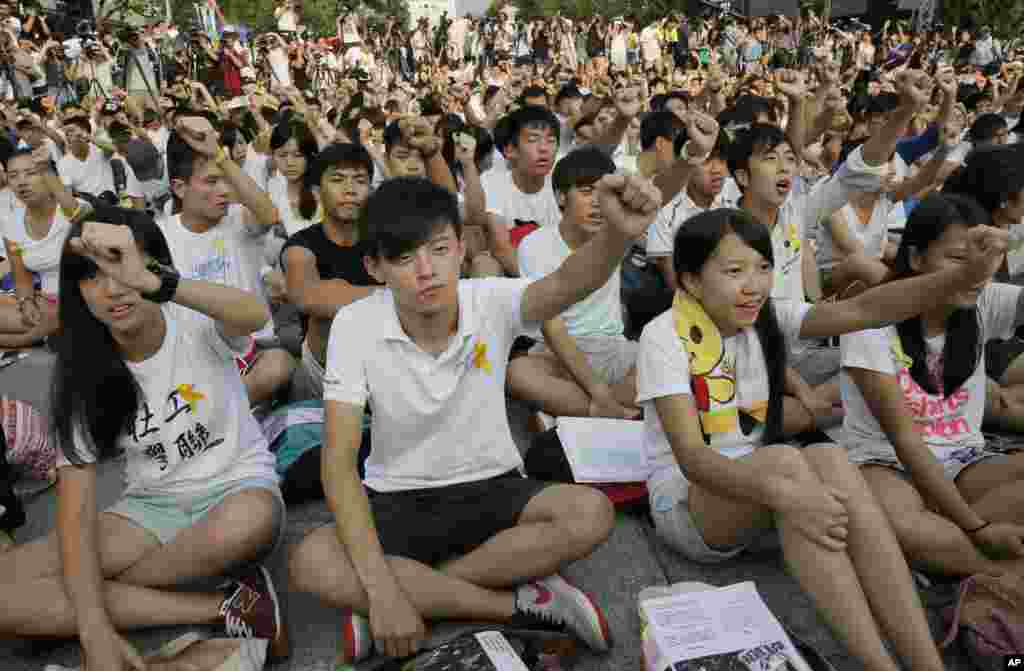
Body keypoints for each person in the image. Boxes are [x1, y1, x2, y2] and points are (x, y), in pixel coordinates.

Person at [289, 173, 663, 663]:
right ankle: (518, 606)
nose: (427, 270)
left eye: (439, 249)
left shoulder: (490, 299)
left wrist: (618, 234)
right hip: (397, 496)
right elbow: (337, 464)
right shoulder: (356, 326)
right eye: (404, 258)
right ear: (374, 267)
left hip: (494, 485)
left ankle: (417, 598)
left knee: (590, 512)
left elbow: (568, 282)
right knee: (309, 561)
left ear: (461, 248)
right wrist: (383, 590)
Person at [640, 206, 1007, 671]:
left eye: (764, 267)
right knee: (787, 462)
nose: (753, 284)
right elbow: (692, 459)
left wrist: (968, 273)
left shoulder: (765, 317)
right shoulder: (663, 336)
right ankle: (880, 665)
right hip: (690, 507)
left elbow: (864, 308)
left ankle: (925, 663)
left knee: (828, 459)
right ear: (690, 280)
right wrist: (789, 495)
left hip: (766, 495)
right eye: (734, 271)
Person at [0, 212, 287, 667]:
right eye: (93, 275)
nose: (114, 288)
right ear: (76, 291)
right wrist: (94, 630)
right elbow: (73, 514)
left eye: (121, 265)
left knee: (249, 520)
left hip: (236, 490)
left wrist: (161, 282)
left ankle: (87, 602)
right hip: (148, 509)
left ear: (153, 266)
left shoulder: (191, 317)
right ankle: (226, 606)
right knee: (5, 587)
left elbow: (255, 314)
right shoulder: (81, 371)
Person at [839, 192, 1024, 581]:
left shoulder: (981, 301)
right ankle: (995, 575)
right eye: (958, 259)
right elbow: (905, 441)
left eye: (981, 260)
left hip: (964, 461)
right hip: (887, 464)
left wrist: (1009, 245)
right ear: (916, 258)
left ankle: (956, 541)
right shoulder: (871, 319)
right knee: (904, 525)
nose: (973, 273)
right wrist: (979, 528)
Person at [161, 115, 296, 408]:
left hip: (253, 352)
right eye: (211, 182)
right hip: (194, 359)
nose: (224, 191)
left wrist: (219, 157)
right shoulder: (160, 236)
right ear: (180, 188)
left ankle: (214, 410)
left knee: (280, 364)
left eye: (225, 180)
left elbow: (269, 216)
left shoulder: (237, 219)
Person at [283, 143, 379, 401]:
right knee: (328, 315)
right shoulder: (300, 246)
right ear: (316, 191)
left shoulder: (384, 241)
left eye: (360, 180)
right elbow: (308, 298)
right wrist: (397, 294)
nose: (350, 189)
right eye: (337, 180)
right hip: (323, 366)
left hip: (383, 353)